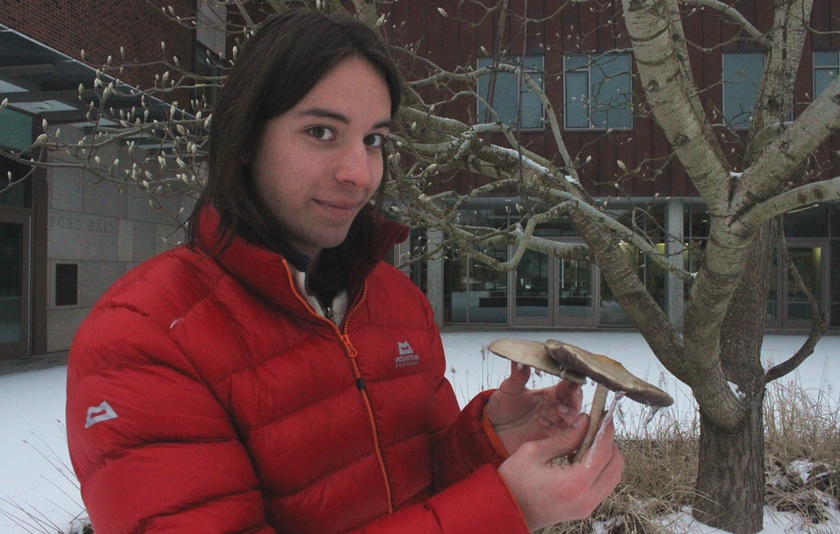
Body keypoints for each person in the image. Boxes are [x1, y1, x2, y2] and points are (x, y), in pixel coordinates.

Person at [65, 8, 624, 533]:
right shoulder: (143, 337)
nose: (360, 173)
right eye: (321, 132)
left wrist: (488, 444)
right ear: (245, 139)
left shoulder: (395, 303)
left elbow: (421, 490)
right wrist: (505, 510)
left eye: (373, 139)